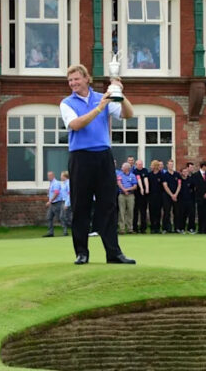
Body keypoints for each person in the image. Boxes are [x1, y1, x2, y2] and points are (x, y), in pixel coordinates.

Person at [60, 64, 135, 265]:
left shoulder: (102, 96)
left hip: (103, 156)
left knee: (108, 205)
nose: (73, 83)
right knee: (80, 205)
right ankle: (82, 253)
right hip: (80, 157)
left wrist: (120, 93)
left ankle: (113, 253)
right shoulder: (67, 103)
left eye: (76, 79)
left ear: (87, 79)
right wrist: (100, 107)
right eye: (70, 80)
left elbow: (128, 114)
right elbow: (75, 124)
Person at [116, 162, 138, 234]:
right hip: (122, 195)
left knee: (130, 212)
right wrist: (124, 189)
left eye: (123, 167)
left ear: (126, 168)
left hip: (130, 195)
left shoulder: (133, 175)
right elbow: (119, 183)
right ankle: (121, 229)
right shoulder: (120, 175)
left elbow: (135, 186)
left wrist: (128, 190)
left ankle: (130, 228)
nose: (121, 168)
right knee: (121, 212)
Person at [43, 171, 65, 237]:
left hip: (57, 203)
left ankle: (65, 231)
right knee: (49, 217)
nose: (48, 177)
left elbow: (56, 193)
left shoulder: (56, 183)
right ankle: (50, 232)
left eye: (49, 176)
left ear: (53, 176)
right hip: (52, 203)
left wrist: (50, 201)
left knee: (59, 218)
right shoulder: (51, 183)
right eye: (48, 176)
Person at [160, 160, 180, 233]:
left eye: (172, 164)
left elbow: (179, 185)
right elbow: (165, 186)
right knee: (166, 212)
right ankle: (166, 228)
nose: (171, 166)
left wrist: (175, 194)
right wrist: (171, 195)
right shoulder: (165, 175)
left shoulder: (177, 174)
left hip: (176, 196)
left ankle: (177, 228)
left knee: (177, 212)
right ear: (167, 165)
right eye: (170, 164)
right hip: (167, 196)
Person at [147, 160, 164, 234]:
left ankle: (157, 227)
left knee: (158, 212)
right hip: (151, 196)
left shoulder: (161, 175)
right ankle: (152, 227)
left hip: (159, 196)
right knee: (152, 212)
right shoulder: (149, 175)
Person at [133, 159, 149, 234]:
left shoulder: (145, 170)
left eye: (141, 164)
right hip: (136, 193)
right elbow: (138, 179)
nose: (140, 166)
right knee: (135, 211)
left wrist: (147, 188)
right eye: (139, 164)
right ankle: (135, 228)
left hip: (144, 195)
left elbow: (145, 179)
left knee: (143, 211)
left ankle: (143, 228)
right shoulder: (135, 171)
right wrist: (142, 188)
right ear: (136, 165)